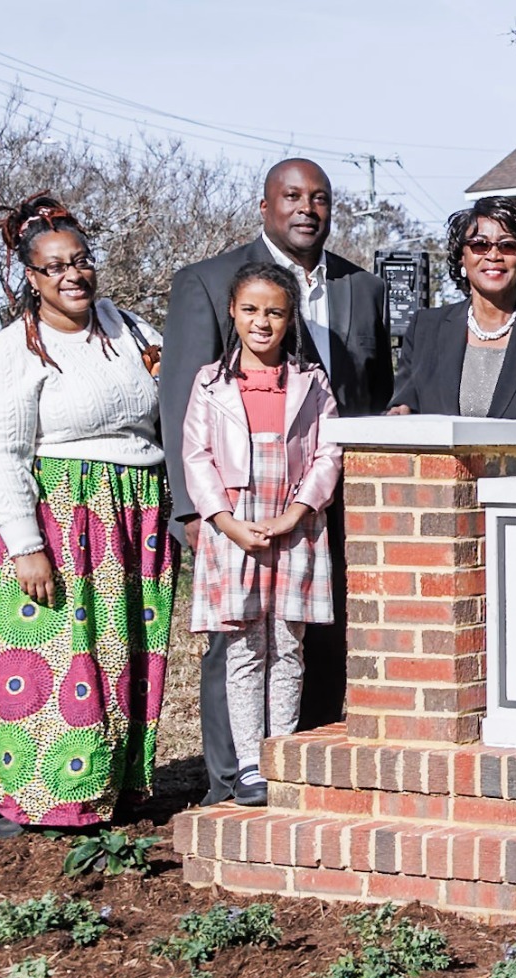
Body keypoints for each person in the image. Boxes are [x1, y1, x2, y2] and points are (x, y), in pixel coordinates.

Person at [0, 194, 176, 835]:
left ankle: (104, 787)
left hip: (131, 515)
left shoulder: (133, 329)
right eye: (56, 266)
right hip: (57, 517)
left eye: (82, 261)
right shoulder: (8, 352)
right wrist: (25, 542)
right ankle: (30, 793)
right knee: (54, 658)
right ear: (31, 278)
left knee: (120, 656)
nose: (73, 276)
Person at [161, 158, 392, 806]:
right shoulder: (206, 282)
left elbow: (370, 396)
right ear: (264, 205)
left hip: (320, 507)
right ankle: (229, 781)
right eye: (291, 195)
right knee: (233, 650)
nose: (306, 208)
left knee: (309, 641)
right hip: (230, 512)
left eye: (319, 198)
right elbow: (183, 403)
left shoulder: (363, 289)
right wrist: (195, 510)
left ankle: (298, 765)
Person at [181, 263, 341, 806]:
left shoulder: (311, 384)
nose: (262, 322)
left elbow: (327, 453)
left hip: (294, 526)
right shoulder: (210, 383)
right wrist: (225, 522)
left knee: (288, 647)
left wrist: (296, 513)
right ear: (233, 311)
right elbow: (196, 458)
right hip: (236, 525)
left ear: (290, 316)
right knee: (245, 648)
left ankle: (281, 755)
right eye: (250, 310)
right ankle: (250, 764)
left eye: (274, 311)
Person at [387, 197, 516, 475]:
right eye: (479, 244)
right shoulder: (425, 329)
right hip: (442, 503)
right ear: (462, 257)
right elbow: (404, 413)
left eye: (508, 245)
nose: (493, 255)